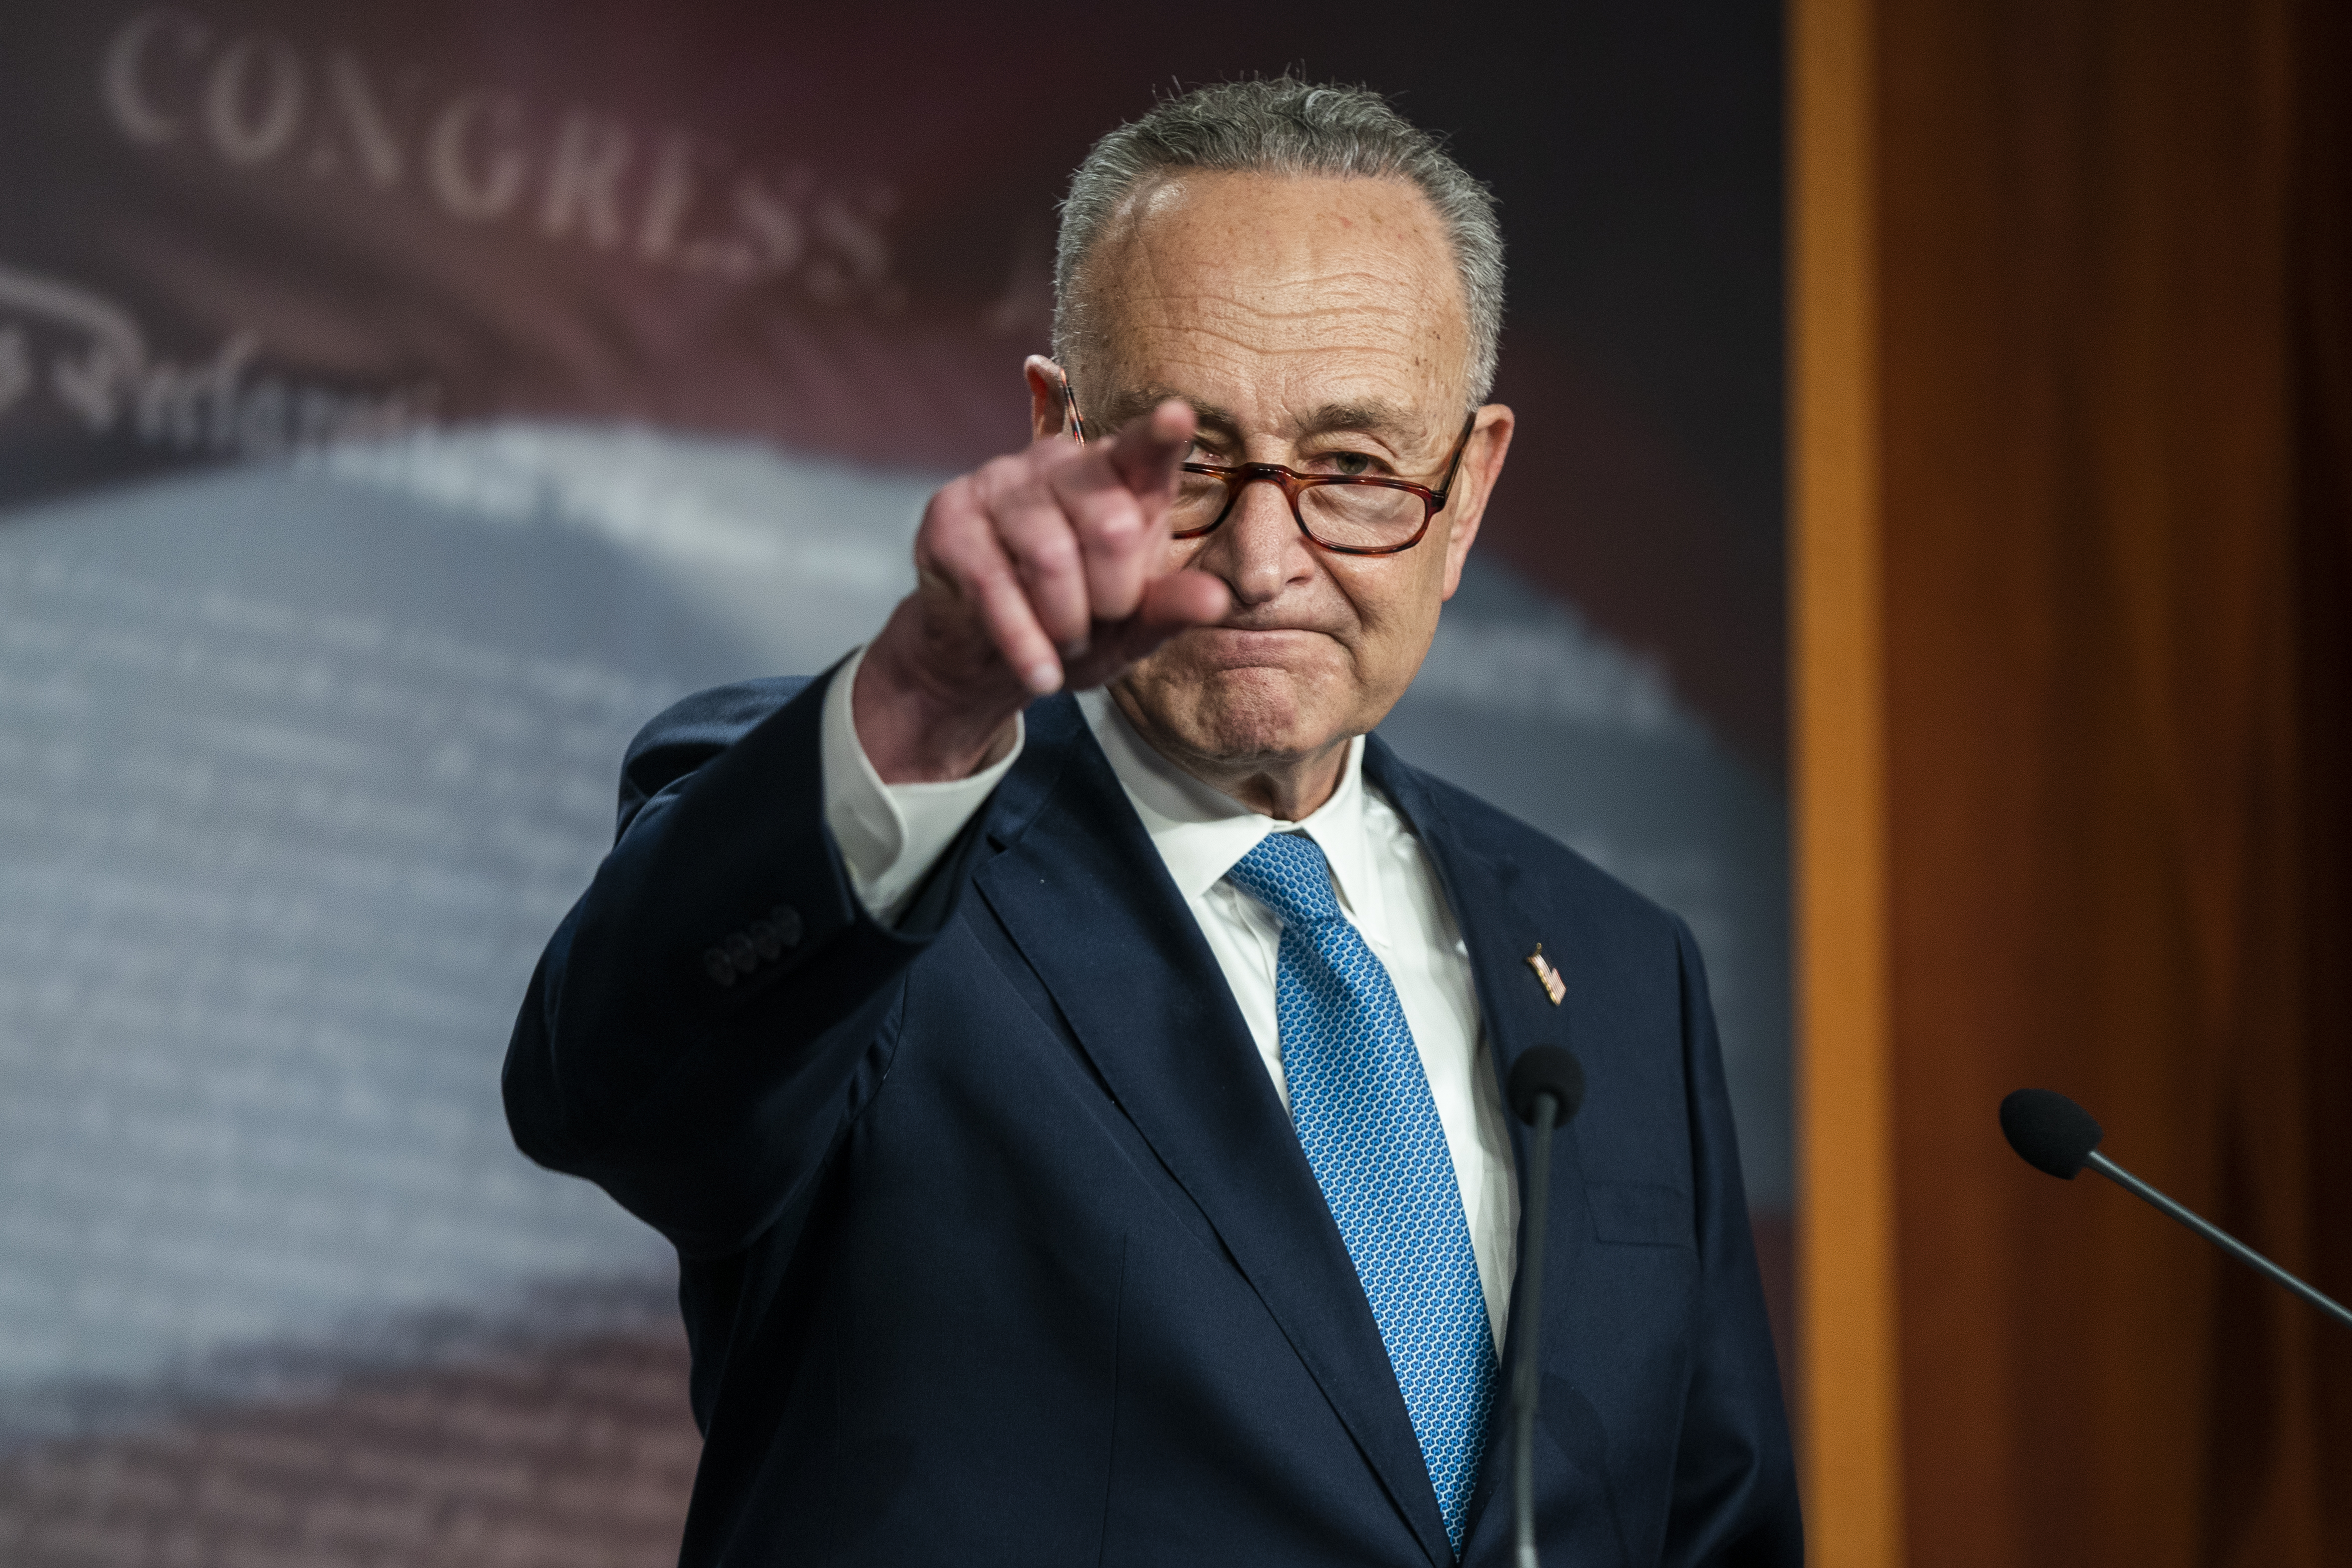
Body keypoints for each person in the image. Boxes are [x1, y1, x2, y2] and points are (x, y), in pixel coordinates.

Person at [505, 78, 1799, 1567]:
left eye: (1356, 469)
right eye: (1189, 461)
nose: (1263, 556)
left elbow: (1716, 1530)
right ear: (1059, 434)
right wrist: (927, 697)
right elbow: (609, 1090)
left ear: (1470, 488)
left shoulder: (1620, 969)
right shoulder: (878, 835)